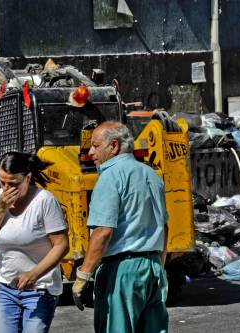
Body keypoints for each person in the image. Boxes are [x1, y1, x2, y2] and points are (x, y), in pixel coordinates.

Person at [72, 121, 169, 333]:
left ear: (114, 146)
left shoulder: (110, 176)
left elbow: (103, 231)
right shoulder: (151, 174)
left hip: (122, 270)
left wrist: (82, 277)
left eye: (96, 146)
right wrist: (158, 266)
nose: (90, 152)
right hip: (153, 267)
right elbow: (164, 226)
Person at [0, 152, 69, 333]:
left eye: (13, 184)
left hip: (40, 288)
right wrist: (0, 208)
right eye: (2, 182)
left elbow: (62, 245)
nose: (7, 189)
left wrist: (33, 274)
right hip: (6, 287)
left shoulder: (44, 201)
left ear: (27, 178)